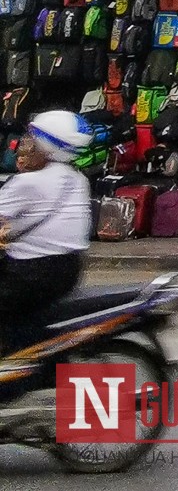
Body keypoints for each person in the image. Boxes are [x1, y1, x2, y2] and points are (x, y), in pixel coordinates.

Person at [0, 111, 93, 353]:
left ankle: (16, 378)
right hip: (69, 267)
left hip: (32, 272)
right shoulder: (77, 179)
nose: (24, 145)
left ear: (48, 147)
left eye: (33, 140)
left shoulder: (30, 183)